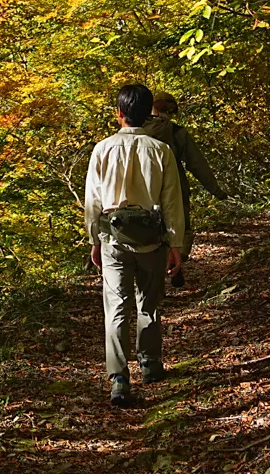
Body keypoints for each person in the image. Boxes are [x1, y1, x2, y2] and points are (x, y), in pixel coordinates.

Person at [83, 82, 185, 407]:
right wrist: (175, 244)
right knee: (149, 304)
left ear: (119, 114)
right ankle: (151, 365)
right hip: (153, 240)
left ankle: (119, 379)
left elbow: (93, 202)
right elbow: (172, 202)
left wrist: (94, 241)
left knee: (116, 308)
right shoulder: (161, 151)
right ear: (147, 114)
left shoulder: (102, 149)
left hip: (113, 239)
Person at [143, 92, 226, 289]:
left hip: (144, 187)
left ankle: (149, 268)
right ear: (172, 110)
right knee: (181, 228)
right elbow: (197, 164)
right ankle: (176, 264)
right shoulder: (177, 132)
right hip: (176, 185)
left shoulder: (137, 131)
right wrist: (216, 191)